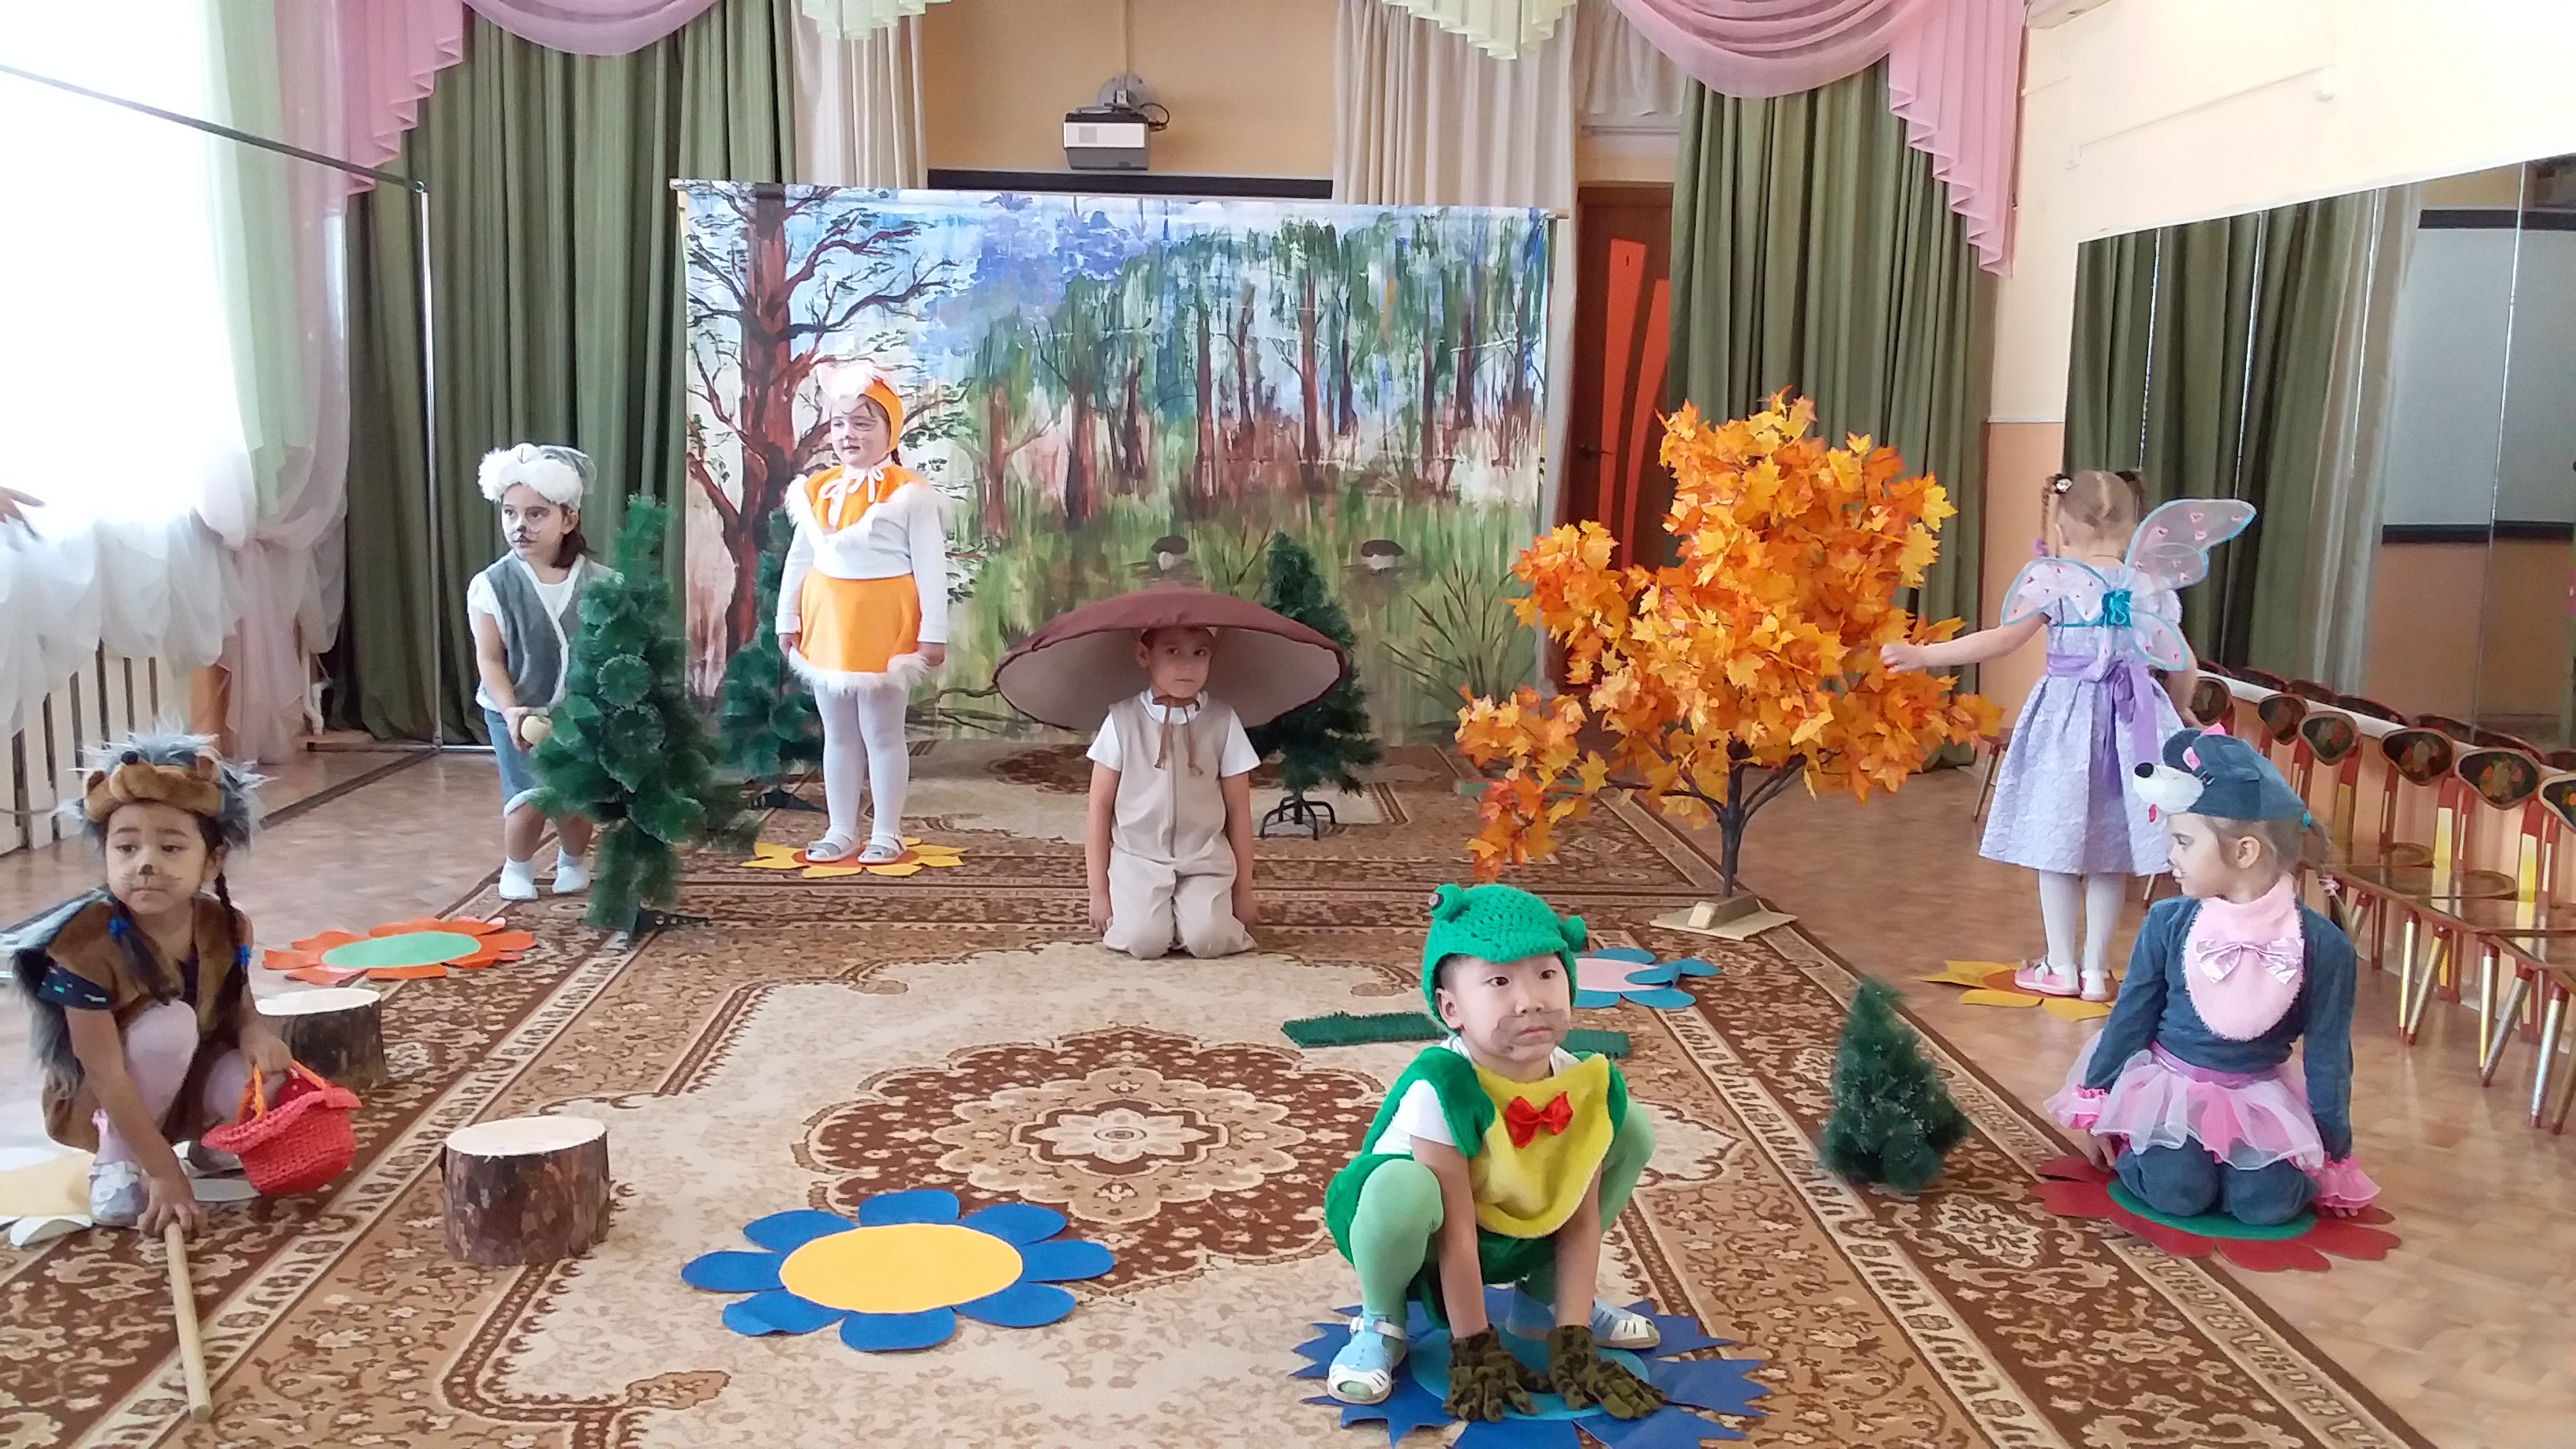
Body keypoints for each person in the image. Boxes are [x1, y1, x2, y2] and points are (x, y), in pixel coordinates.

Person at [1884, 470, 2234, 1002]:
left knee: (2058, 846)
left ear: (2064, 526)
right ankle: (2095, 971)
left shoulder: (2054, 578)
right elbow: (2183, 663)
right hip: (2133, 724)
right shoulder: (2150, 586)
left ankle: (2060, 966)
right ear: (2134, 525)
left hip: (2066, 724)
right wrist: (2180, 709)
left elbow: (2002, 641)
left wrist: (1922, 655)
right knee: (2112, 848)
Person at [1320, 883, 1664, 1422]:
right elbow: (1456, 1235)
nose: (1530, 1000)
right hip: (1420, 1236)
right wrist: (1475, 1349)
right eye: (1499, 981)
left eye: (1547, 973)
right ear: (1451, 1008)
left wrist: (1572, 1337)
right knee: (1403, 1188)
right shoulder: (1442, 1087)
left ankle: (1541, 1301)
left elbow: (1580, 1219)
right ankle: (1381, 1321)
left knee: (1633, 1131)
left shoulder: (1580, 1083)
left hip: (1511, 1225)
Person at [2045, 729, 2377, 1226]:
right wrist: (2098, 1103)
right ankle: (2160, 1154)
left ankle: (2235, 1173)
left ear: (2244, 852)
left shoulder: (2324, 946)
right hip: (2170, 1091)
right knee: (2179, 1192)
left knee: (2267, 1207)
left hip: (2257, 1098)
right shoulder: (2168, 922)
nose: (2171, 856)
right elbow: (2131, 1018)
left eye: (2183, 841)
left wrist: (2335, 1154)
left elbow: (2329, 1059)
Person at [6, 734, 286, 1233]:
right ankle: (118, 1159)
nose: (146, 864)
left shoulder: (226, 924)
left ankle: (213, 1141)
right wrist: (164, 1172)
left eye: (171, 847)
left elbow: (240, 1004)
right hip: (107, 1097)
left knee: (268, 1075)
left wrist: (255, 1031)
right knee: (168, 1026)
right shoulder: (82, 946)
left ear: (213, 860)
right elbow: (105, 1072)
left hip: (189, 1078)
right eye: (126, 848)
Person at [777, 362, 947, 863]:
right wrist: (788, 618)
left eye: (863, 423)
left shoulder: (910, 493)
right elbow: (800, 558)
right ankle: (841, 829)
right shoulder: (816, 490)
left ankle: (887, 831)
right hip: (828, 622)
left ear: (890, 430)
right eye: (839, 423)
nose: (848, 433)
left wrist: (933, 631)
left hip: (883, 624)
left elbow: (930, 565)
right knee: (838, 732)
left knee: (882, 731)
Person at [468, 443, 614, 900]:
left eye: (536, 514)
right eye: (510, 513)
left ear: (568, 519)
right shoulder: (491, 585)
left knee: (575, 796)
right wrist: (510, 710)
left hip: (578, 711)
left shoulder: (604, 584)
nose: (520, 525)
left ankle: (572, 861)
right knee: (528, 797)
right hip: (515, 709)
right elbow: (490, 659)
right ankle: (517, 868)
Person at [1084, 626, 1260, 960]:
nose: (1188, 665)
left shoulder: (1223, 721)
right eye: (1172, 652)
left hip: (1205, 859)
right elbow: (1099, 808)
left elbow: (1239, 810)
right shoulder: (1121, 721)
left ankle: (1189, 917)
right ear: (1144, 656)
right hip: (1138, 859)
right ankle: (1161, 918)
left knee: (1209, 939)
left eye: (1200, 653)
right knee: (1144, 941)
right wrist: (1099, 892)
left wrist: (1243, 893)